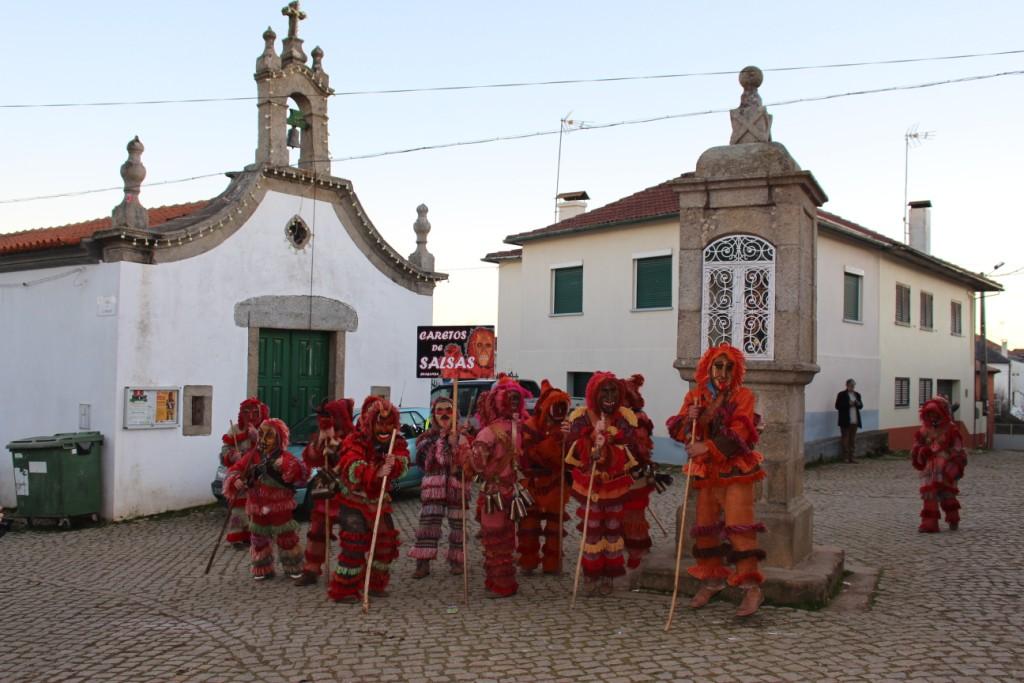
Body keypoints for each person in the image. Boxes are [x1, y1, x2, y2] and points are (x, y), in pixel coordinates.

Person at [666, 343, 766, 618]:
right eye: (717, 366)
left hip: (735, 471)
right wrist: (688, 419)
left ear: (736, 371)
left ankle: (751, 587)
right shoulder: (696, 396)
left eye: (728, 367)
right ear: (708, 368)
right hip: (707, 473)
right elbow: (680, 431)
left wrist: (706, 447)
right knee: (705, 526)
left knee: (739, 526)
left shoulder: (743, 396)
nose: (722, 372)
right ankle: (712, 581)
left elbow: (740, 432)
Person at [327, 396, 409, 603]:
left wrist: (395, 464)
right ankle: (345, 589)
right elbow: (351, 466)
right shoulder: (355, 441)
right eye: (380, 423)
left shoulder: (395, 441)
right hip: (354, 500)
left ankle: (374, 583)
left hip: (379, 500)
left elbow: (403, 464)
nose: (384, 428)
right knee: (354, 544)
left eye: (389, 423)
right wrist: (375, 472)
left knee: (386, 542)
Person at [565, 371, 639, 596]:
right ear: (594, 394)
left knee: (614, 530)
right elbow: (574, 443)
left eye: (613, 391)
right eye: (604, 392)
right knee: (593, 530)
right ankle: (591, 574)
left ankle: (609, 575)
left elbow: (630, 443)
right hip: (591, 485)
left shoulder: (625, 418)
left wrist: (610, 443)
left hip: (615, 485)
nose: (609, 397)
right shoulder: (581, 417)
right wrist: (590, 446)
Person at [465, 375, 531, 598]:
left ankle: (499, 584)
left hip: (494, 492)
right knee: (507, 537)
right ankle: (505, 581)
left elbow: (476, 463)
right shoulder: (517, 428)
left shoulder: (488, 432)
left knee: (494, 539)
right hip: (511, 490)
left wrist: (462, 450)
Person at [223, 417, 306, 580]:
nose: (263, 439)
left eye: (269, 436)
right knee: (258, 539)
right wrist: (235, 480)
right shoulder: (252, 456)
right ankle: (262, 567)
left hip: (279, 506)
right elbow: (235, 469)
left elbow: (301, 473)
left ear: (279, 438)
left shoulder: (285, 457)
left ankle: (293, 565)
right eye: (261, 434)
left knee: (286, 538)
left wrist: (285, 466)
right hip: (257, 505)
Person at [294, 398, 356, 586]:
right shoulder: (322, 436)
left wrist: (337, 449)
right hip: (326, 492)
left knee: (352, 534)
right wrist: (319, 444)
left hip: (347, 492)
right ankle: (311, 570)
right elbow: (311, 458)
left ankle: (349, 572)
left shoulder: (353, 437)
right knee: (317, 531)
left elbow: (353, 460)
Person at [409, 396, 471, 578]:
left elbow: (469, 463)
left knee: (458, 526)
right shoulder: (426, 439)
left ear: (455, 414)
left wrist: (458, 443)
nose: (444, 414)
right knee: (428, 525)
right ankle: (423, 562)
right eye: (440, 411)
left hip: (456, 487)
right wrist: (443, 441)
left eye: (448, 410)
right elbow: (426, 461)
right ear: (434, 415)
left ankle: (457, 560)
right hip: (433, 488)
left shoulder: (463, 436)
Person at [517, 379, 572, 575]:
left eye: (563, 407)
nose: (559, 411)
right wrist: (554, 441)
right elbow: (532, 454)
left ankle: (552, 563)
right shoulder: (530, 426)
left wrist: (567, 440)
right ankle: (528, 561)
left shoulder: (564, 428)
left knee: (554, 527)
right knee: (528, 526)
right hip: (532, 483)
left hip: (555, 483)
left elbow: (569, 458)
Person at [911, 396, 967, 533]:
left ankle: (953, 519)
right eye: (930, 414)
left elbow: (958, 448)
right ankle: (929, 524)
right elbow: (917, 445)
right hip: (930, 469)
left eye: (935, 413)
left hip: (945, 468)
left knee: (947, 494)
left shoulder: (951, 429)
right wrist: (921, 451)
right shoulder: (924, 429)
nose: (933, 417)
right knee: (930, 495)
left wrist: (952, 461)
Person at [219, 398, 269, 548]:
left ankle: (254, 536)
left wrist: (257, 438)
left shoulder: (267, 429)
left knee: (257, 508)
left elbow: (272, 449)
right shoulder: (235, 430)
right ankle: (237, 536)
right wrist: (232, 456)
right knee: (239, 508)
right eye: (246, 412)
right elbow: (224, 450)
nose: (251, 416)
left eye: (255, 412)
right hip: (239, 473)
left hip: (259, 474)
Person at [835, 379, 863, 463]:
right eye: (851, 385)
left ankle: (852, 457)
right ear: (847, 385)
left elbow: (861, 406)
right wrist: (848, 404)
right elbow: (837, 406)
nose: (852, 387)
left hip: (855, 420)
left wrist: (858, 403)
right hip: (845, 420)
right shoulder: (841, 394)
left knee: (853, 439)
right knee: (845, 439)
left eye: (853, 386)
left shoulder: (857, 394)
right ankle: (845, 457)